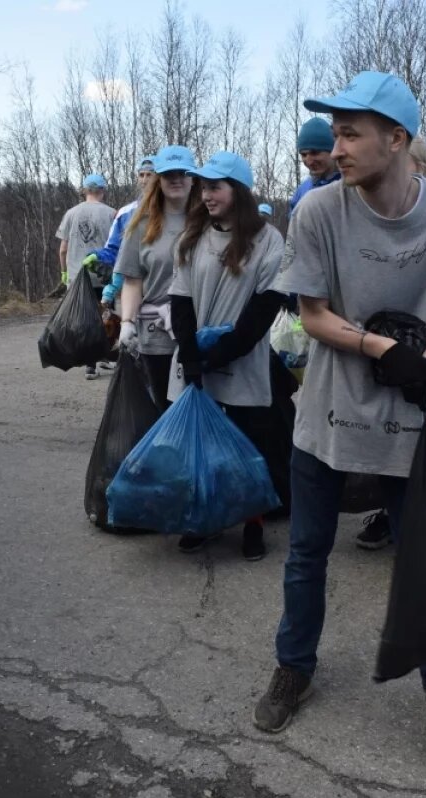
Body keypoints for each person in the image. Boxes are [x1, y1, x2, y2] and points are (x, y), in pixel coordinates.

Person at [254, 72, 426, 759]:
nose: (337, 145)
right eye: (335, 132)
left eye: (351, 132)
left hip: (412, 418)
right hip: (327, 412)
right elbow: (312, 314)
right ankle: (294, 666)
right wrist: (381, 347)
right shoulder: (319, 212)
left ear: (397, 139)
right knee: (305, 553)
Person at [168, 151, 287, 560]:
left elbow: (263, 308)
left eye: (215, 186)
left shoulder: (268, 241)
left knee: (247, 446)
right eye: (203, 187)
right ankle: (205, 517)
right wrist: (189, 354)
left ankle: (252, 523)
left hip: (242, 360)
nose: (206, 194)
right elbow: (180, 300)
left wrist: (221, 354)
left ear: (237, 190)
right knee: (201, 447)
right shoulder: (192, 237)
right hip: (195, 360)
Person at [352, 133, 426, 551]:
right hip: (384, 349)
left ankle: (423, 528)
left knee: (419, 445)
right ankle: (393, 516)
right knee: (390, 440)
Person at [114, 146, 199, 409]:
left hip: (198, 329)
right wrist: (127, 322)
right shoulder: (142, 225)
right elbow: (132, 280)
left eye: (182, 173)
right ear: (158, 180)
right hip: (157, 335)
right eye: (167, 174)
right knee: (164, 408)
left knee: (198, 405)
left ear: (193, 178)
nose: (176, 179)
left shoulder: (206, 220)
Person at [57, 174, 117, 379]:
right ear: (102, 190)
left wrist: (65, 272)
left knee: (86, 320)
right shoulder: (112, 214)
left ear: (84, 191)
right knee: (106, 317)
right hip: (104, 275)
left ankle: (91, 364)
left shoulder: (71, 214)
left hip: (78, 276)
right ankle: (103, 357)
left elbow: (63, 249)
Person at [91, 156, 156, 309]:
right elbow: (116, 251)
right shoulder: (126, 213)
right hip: (136, 289)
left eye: (150, 175)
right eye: (141, 175)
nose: (144, 180)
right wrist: (99, 256)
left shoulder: (174, 210)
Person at [288, 118, 341, 213]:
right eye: (304, 155)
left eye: (315, 153)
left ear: (332, 151)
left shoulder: (351, 186)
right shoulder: (301, 192)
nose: (309, 161)